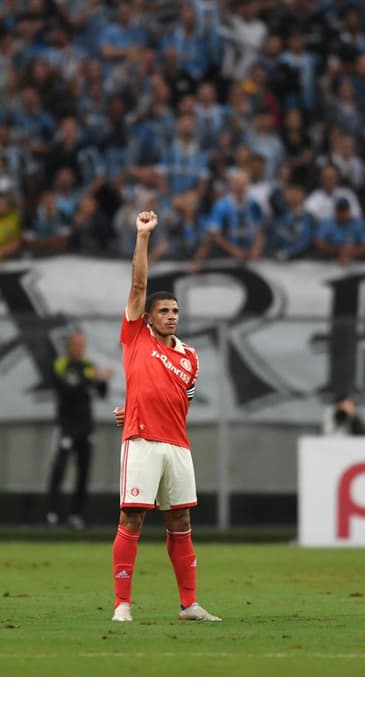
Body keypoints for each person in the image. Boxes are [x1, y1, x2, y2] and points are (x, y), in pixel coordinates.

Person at [109, 210, 220, 623]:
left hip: (176, 445)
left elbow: (178, 400)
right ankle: (123, 604)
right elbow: (139, 284)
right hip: (141, 442)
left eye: (175, 311)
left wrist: (132, 405)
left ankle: (189, 604)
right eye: (164, 311)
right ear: (148, 317)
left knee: (181, 519)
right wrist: (143, 237)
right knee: (132, 516)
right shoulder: (135, 336)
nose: (171, 315)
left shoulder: (190, 356)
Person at [45, 331, 114, 530]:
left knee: (84, 471)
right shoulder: (61, 365)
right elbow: (68, 387)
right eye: (76, 344)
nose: (79, 348)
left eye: (82, 344)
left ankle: (77, 515)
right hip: (66, 426)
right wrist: (89, 377)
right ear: (69, 345)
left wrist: (103, 379)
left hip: (85, 427)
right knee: (59, 468)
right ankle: (53, 513)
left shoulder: (88, 366)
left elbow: (100, 392)